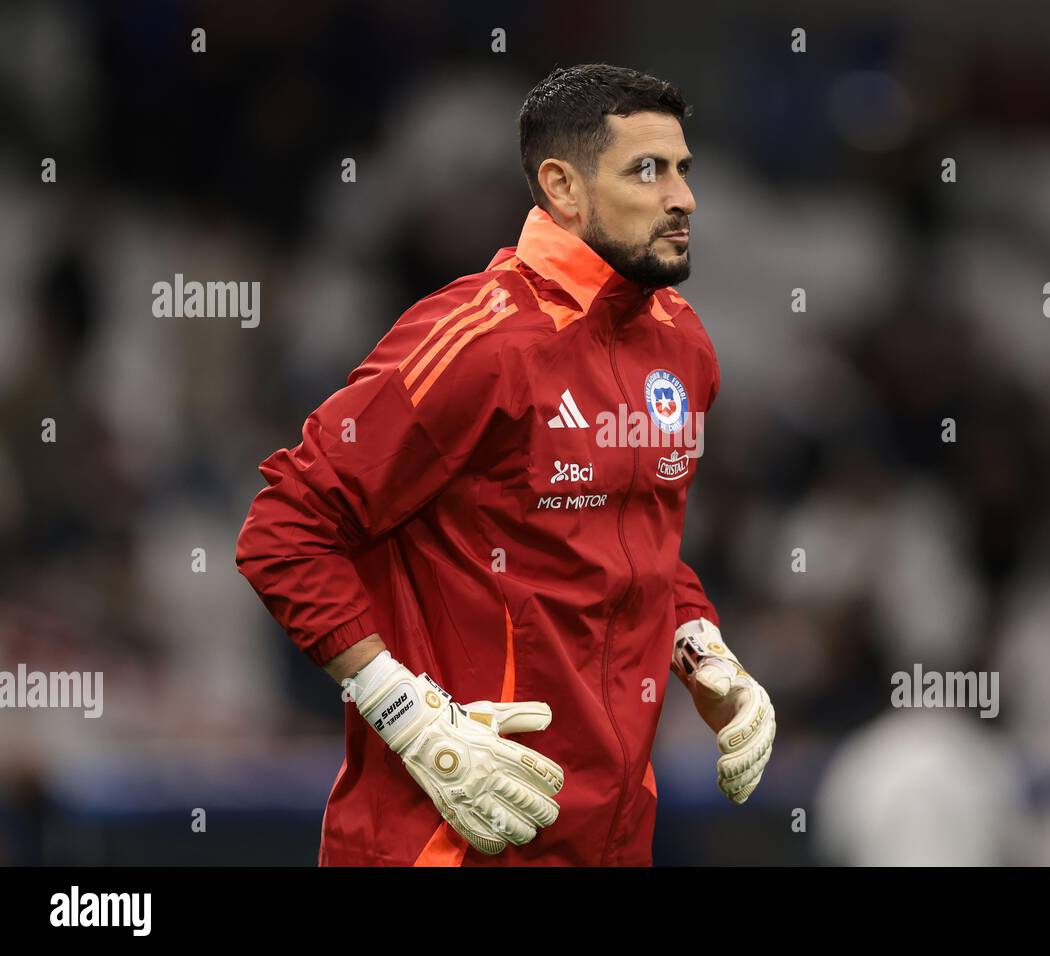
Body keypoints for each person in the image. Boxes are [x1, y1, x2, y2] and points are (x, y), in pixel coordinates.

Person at [235, 63, 775, 866]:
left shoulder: (682, 343)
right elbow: (283, 528)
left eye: (684, 170)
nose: (683, 198)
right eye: (648, 171)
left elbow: (630, 541)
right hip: (448, 839)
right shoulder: (479, 342)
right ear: (562, 186)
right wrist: (404, 714)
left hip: (610, 839)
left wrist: (701, 647)